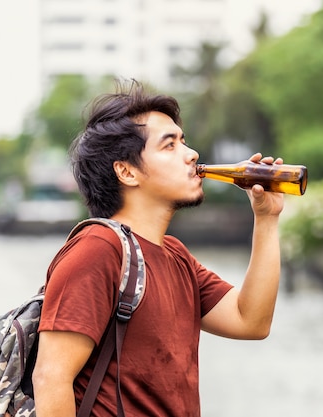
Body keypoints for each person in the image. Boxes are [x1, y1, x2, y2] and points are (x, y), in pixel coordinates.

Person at [32, 80, 285, 417]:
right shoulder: (98, 250)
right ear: (127, 171)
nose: (191, 154)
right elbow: (51, 377)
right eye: (170, 146)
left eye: (184, 140)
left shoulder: (175, 255)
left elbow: (250, 321)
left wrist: (266, 218)